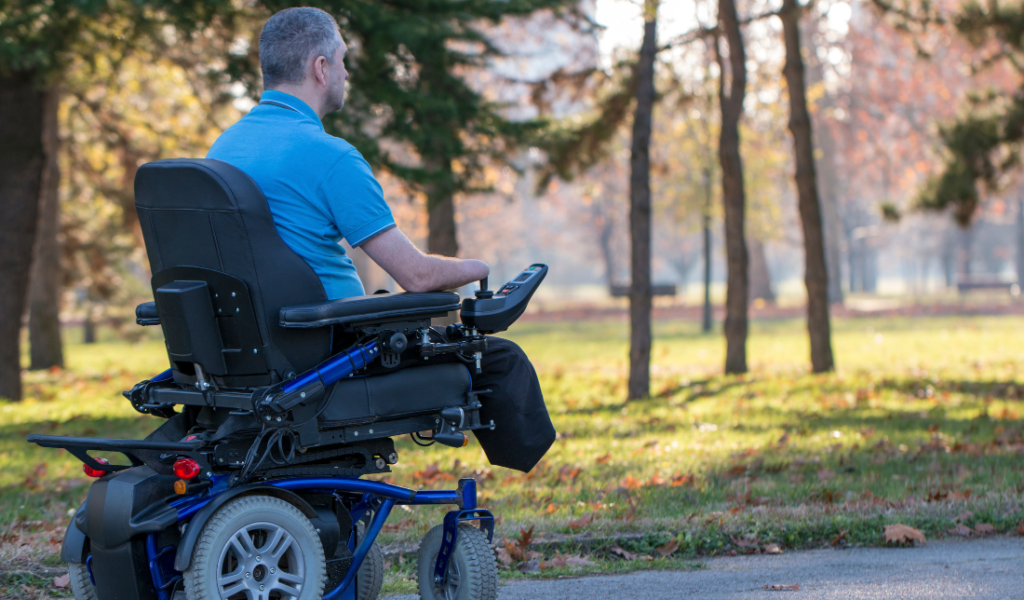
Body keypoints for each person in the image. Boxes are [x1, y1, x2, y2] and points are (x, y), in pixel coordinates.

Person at [206, 7, 554, 473]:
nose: (346, 73)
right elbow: (418, 276)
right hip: (331, 352)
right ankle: (526, 472)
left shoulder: (223, 150)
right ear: (320, 68)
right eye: (342, 60)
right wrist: (479, 268)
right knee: (499, 360)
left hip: (249, 350)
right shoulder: (330, 157)